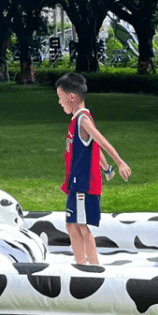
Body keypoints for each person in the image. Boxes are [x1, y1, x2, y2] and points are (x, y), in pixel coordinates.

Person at [55, 73, 131, 265]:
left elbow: (100, 139)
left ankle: (94, 267)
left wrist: (120, 161)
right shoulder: (77, 120)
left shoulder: (82, 120)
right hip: (75, 183)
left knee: (80, 225)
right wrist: (107, 168)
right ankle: (81, 265)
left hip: (82, 183)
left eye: (60, 97)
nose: (59, 102)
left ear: (71, 97)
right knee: (72, 225)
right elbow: (93, 149)